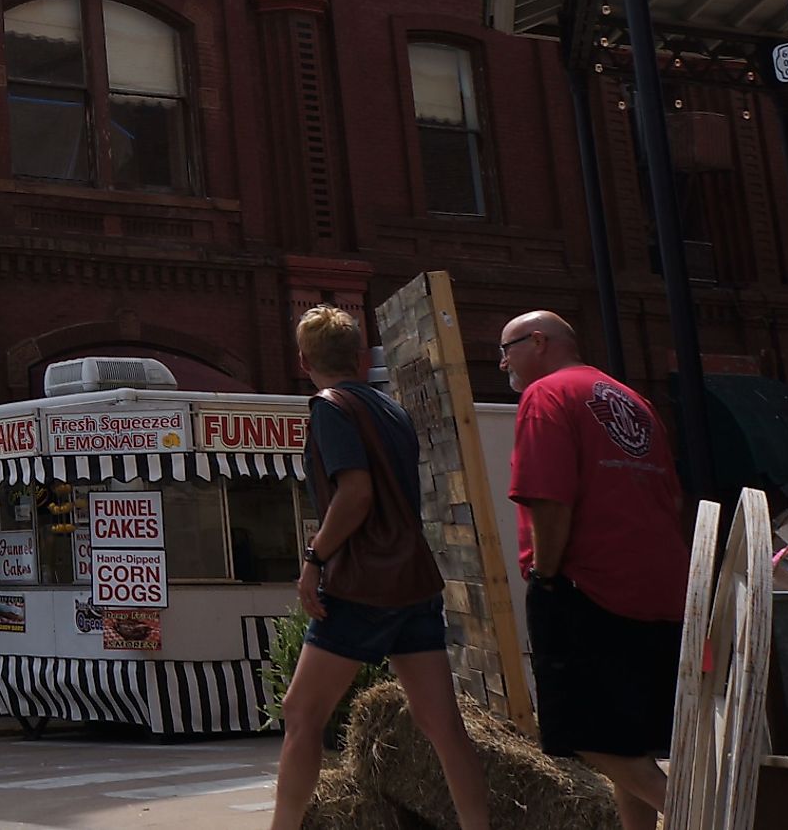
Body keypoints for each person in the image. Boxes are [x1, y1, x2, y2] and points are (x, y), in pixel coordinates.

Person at [270, 306, 490, 830]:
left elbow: (355, 493)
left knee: (302, 715)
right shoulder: (392, 410)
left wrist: (313, 559)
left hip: (362, 583)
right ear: (362, 357)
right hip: (414, 578)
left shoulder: (329, 407)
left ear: (303, 360)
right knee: (443, 725)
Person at [499, 310, 688, 830]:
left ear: (539, 342)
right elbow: (671, 498)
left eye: (507, 348)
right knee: (626, 740)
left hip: (589, 587)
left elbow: (549, 498)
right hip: (661, 588)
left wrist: (546, 575)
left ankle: (702, 817)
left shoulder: (546, 395)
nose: (502, 363)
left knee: (581, 733)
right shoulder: (633, 400)